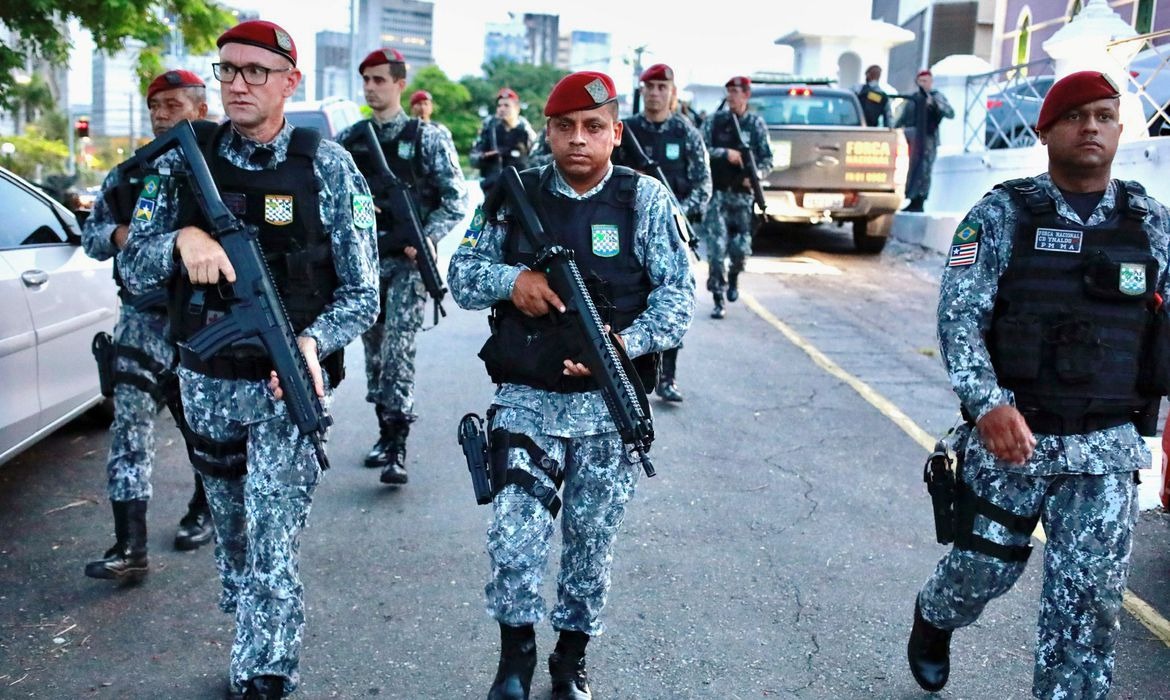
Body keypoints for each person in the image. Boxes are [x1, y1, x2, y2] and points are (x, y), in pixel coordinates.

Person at [118, 20, 379, 698]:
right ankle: (252, 624)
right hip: (206, 384)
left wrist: (312, 343)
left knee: (271, 534)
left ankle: (266, 669)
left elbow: (363, 293)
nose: (237, 83)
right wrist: (182, 238)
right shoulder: (183, 160)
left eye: (255, 72)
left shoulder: (327, 165)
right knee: (232, 532)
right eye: (226, 70)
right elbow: (132, 269)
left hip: (283, 386)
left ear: (290, 81)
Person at [906, 71, 1170, 699]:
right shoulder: (999, 216)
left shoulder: (1151, 224)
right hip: (1011, 442)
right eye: (1076, 116)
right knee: (978, 574)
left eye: (1105, 116)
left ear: (1120, 129)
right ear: (1045, 129)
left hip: (1105, 450)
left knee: (1088, 607)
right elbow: (959, 316)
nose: (1091, 127)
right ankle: (934, 618)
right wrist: (988, 404)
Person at [448, 71, 694, 700]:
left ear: (616, 132)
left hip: (608, 405)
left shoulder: (644, 201)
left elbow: (676, 300)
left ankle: (570, 660)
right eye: (564, 128)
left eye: (592, 128)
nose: (578, 140)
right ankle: (515, 658)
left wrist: (621, 346)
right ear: (549, 133)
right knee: (514, 532)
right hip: (527, 397)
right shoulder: (515, 197)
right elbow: (463, 272)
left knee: (590, 542)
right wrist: (514, 284)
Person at [81, 69, 216, 584]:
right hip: (142, 318)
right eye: (155, 106)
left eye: (174, 105)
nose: (162, 115)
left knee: (202, 425)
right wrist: (123, 236)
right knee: (129, 426)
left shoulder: (222, 168)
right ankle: (129, 543)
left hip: (203, 321)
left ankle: (203, 510)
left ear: (199, 110)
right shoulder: (128, 174)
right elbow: (93, 236)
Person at [335, 48, 468, 485]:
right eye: (367, 80)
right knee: (373, 354)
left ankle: (397, 444)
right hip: (367, 263)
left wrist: (426, 237)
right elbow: (332, 199)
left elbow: (455, 198)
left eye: (379, 80)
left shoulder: (428, 137)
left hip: (410, 264)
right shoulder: (352, 139)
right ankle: (382, 430)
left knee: (398, 351)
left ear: (399, 84)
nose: (372, 87)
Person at [612, 62, 711, 402]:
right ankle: (626, 369)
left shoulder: (686, 134)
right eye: (649, 87)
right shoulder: (627, 130)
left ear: (673, 92)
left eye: (662, 87)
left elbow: (703, 186)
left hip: (670, 230)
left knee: (669, 296)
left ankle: (667, 377)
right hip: (625, 228)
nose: (655, 93)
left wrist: (676, 213)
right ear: (642, 91)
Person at [701, 76, 773, 319]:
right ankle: (718, 299)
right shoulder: (715, 121)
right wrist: (725, 153)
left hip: (743, 198)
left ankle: (733, 278)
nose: (731, 96)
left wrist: (755, 176)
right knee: (716, 250)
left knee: (741, 250)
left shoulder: (755, 125)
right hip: (718, 195)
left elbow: (767, 160)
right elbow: (700, 150)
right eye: (728, 91)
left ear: (746, 95)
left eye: (736, 91)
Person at [896, 69, 954, 212]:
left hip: (928, 139)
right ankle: (913, 198)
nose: (923, 84)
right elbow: (903, 118)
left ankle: (920, 200)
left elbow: (950, 112)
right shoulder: (913, 98)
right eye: (920, 81)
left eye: (926, 81)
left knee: (925, 170)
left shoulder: (936, 97)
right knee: (913, 169)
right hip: (913, 139)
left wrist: (932, 103)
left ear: (931, 82)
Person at [470, 87, 538, 198]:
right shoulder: (488, 130)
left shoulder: (526, 131)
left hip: (522, 193)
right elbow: (473, 159)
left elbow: (538, 161)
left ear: (517, 109)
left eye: (506, 105)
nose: (501, 109)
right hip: (492, 193)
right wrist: (484, 157)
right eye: (499, 106)